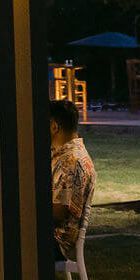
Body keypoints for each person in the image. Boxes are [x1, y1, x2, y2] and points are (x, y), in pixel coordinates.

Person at [50, 99, 96, 259]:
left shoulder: (70, 162)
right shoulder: (73, 155)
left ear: (54, 126)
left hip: (56, 242)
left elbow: (58, 212)